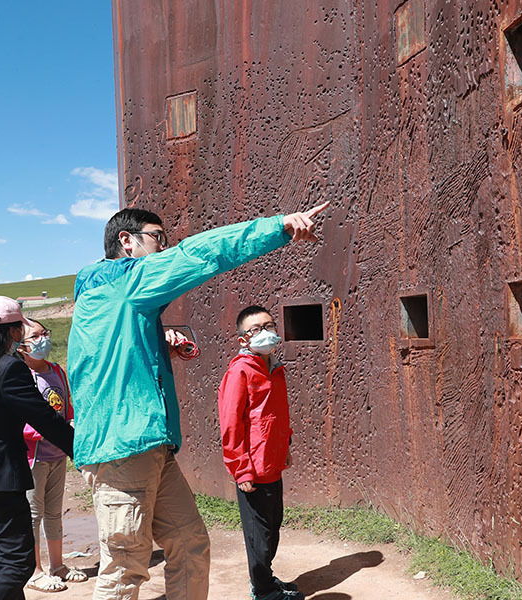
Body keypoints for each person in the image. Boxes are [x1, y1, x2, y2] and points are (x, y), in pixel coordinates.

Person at [67, 203, 328, 600]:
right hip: (122, 449)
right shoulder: (122, 282)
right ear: (127, 242)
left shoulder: (115, 301)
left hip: (149, 447)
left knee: (190, 544)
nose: (164, 249)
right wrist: (279, 226)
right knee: (125, 566)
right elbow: (200, 254)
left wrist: (158, 344)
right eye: (158, 239)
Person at [0, 296, 74, 599]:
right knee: (18, 565)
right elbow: (44, 418)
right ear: (15, 332)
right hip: (1, 482)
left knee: (0, 562)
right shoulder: (9, 369)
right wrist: (81, 450)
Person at [218, 306, 302, 600]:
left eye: (269, 325)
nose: (265, 332)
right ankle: (263, 591)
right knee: (259, 535)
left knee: (272, 526)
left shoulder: (274, 368)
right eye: (256, 329)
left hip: (272, 462)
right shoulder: (240, 371)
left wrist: (286, 446)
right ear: (243, 339)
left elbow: (277, 414)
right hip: (252, 467)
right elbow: (230, 424)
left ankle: (265, 579)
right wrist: (241, 468)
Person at [18, 318, 87, 592]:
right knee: (33, 515)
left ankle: (57, 565)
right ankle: (35, 571)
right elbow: (20, 418)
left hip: (57, 454)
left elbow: (66, 405)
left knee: (54, 513)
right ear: (21, 346)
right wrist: (43, 432)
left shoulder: (57, 370)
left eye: (44, 333)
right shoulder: (22, 376)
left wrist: (69, 424)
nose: (42, 339)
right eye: (35, 336)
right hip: (33, 457)